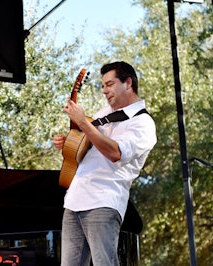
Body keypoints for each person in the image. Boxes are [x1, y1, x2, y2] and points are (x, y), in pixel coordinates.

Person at [53, 61, 157, 265]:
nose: (104, 91)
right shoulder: (103, 114)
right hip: (74, 200)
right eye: (102, 86)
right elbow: (87, 149)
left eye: (109, 84)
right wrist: (69, 143)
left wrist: (83, 122)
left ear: (128, 83)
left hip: (103, 201)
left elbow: (115, 152)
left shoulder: (143, 123)